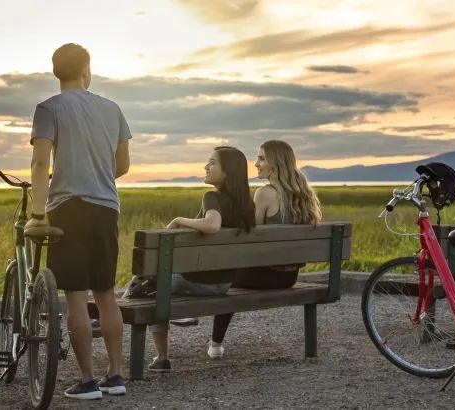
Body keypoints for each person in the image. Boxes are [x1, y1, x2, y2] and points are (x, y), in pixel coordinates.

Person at [25, 43, 130, 400]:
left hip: (67, 207)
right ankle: (115, 376)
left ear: (56, 71)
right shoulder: (113, 109)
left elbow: (40, 164)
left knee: (74, 297)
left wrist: (38, 214)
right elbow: (123, 167)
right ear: (87, 70)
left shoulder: (48, 108)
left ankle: (87, 381)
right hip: (105, 208)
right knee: (106, 295)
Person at [144, 146, 256, 372]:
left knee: (147, 288)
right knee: (150, 282)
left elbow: (213, 225)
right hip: (223, 284)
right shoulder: (248, 205)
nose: (206, 166)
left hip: (194, 283)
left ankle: (162, 357)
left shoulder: (212, 197)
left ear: (227, 172)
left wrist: (179, 219)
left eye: (212, 162)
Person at [208, 139, 322, 359]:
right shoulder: (305, 195)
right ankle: (214, 343)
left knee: (225, 273)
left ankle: (215, 343)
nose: (256, 163)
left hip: (264, 276)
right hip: (289, 277)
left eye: (261, 158)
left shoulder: (264, 194)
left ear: (276, 163)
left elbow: (252, 236)